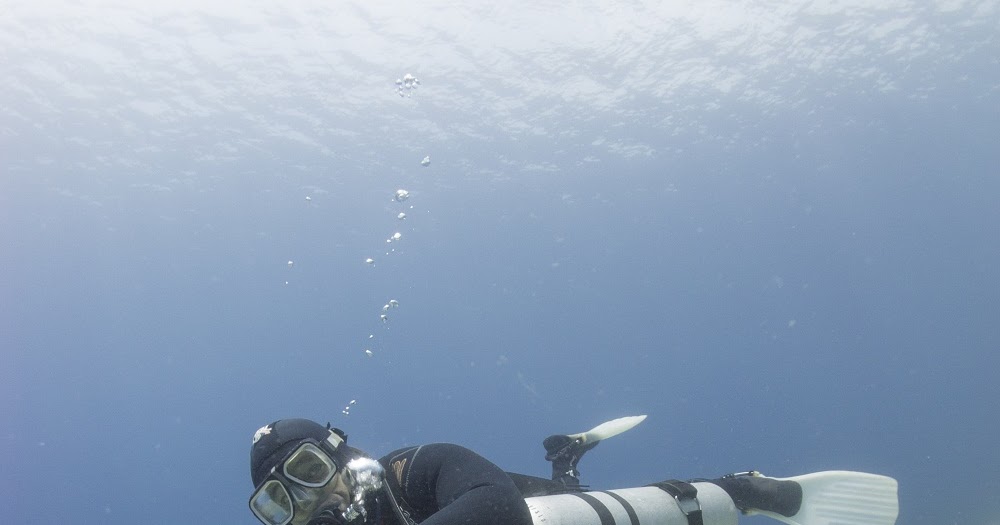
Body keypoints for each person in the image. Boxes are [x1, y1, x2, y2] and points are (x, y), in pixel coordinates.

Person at [248, 417, 898, 525]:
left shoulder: (412, 471)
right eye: (279, 502)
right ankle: (568, 458)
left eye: (309, 469)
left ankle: (749, 490)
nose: (307, 500)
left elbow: (496, 507)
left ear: (342, 454)